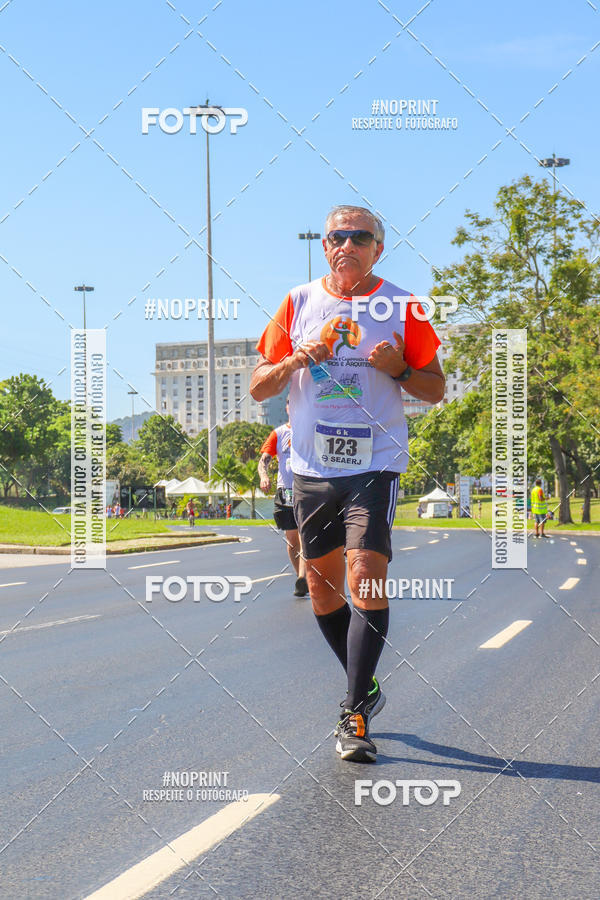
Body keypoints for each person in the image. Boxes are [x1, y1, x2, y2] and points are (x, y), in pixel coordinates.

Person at [250, 204, 444, 762]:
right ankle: (367, 685)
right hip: (312, 468)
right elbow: (259, 386)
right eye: (338, 237)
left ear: (378, 248)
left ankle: (354, 712)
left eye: (360, 237)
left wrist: (399, 369)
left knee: (366, 576)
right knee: (321, 589)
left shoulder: (403, 305)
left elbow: (435, 389)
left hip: (374, 463)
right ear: (325, 246)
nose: (348, 245)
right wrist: (294, 361)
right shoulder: (298, 302)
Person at [259, 398, 308, 597]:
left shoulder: (309, 429)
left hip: (306, 489)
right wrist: (264, 476)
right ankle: (300, 578)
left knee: (304, 535)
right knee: (292, 539)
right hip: (286, 492)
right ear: (287, 408)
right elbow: (264, 460)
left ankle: (304, 577)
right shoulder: (278, 433)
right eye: (290, 404)